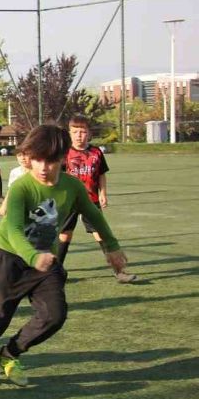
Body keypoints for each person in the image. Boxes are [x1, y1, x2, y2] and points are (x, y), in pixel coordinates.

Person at [0, 124, 130, 394]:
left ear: (62, 158)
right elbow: (12, 229)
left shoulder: (72, 187)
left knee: (54, 314)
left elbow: (93, 214)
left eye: (50, 160)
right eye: (37, 159)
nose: (43, 167)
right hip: (10, 257)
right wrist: (31, 255)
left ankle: (10, 353)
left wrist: (112, 247)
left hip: (44, 262)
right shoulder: (22, 187)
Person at [58, 115, 137, 283]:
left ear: (89, 133)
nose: (79, 135)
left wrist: (103, 194)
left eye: (83, 131)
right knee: (64, 235)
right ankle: (55, 272)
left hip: (90, 200)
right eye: (75, 132)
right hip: (69, 201)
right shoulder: (65, 152)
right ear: (70, 133)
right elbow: (58, 176)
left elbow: (101, 174)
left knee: (101, 235)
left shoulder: (96, 153)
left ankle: (119, 271)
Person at [0, 150, 31, 216]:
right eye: (19, 155)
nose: (23, 158)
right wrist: (4, 206)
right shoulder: (15, 172)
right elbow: (11, 190)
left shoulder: (38, 172)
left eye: (26, 155)